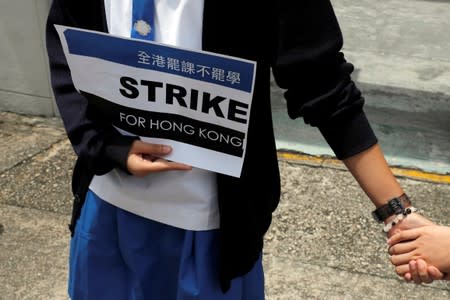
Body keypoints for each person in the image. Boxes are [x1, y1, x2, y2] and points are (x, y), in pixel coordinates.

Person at [45, 0, 435, 299]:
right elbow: (65, 43)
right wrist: (103, 145)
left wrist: (397, 213)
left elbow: (321, 82)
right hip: (105, 212)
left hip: (211, 233)